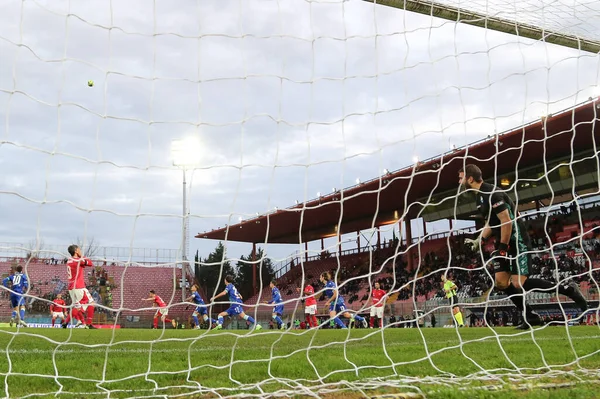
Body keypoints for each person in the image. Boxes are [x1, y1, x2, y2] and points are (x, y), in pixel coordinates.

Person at [459, 164, 587, 329]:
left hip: (516, 239)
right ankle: (530, 316)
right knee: (501, 282)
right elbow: (491, 223)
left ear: (470, 179)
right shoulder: (480, 198)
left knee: (518, 283)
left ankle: (568, 290)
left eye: (461, 178)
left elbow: (506, 221)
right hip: (502, 241)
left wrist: (503, 247)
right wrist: (479, 240)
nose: (460, 182)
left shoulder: (493, 193)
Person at [64, 245, 96, 329]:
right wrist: (81, 255)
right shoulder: (78, 260)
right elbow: (90, 263)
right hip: (79, 286)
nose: (80, 251)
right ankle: (89, 324)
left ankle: (65, 322)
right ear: (76, 251)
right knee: (91, 303)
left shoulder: (69, 260)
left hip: (71, 287)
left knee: (77, 307)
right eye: (79, 249)